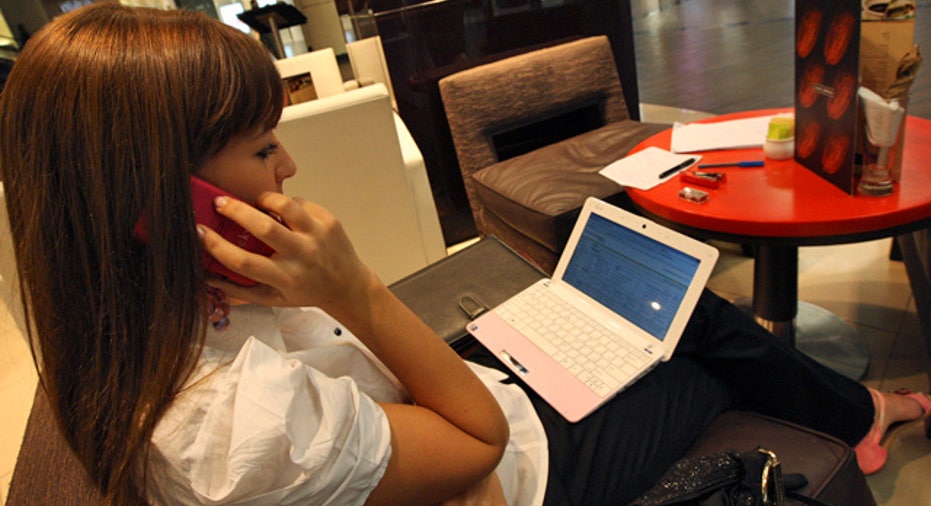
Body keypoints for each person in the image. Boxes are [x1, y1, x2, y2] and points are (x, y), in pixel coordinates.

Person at [1, 4, 928, 505]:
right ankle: (864, 411)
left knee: (658, 313)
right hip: (513, 460)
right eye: (258, 150)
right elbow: (478, 442)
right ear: (157, 207)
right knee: (700, 350)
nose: (287, 166)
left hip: (434, 402)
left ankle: (858, 405)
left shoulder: (158, 317)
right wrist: (353, 284)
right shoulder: (235, 435)